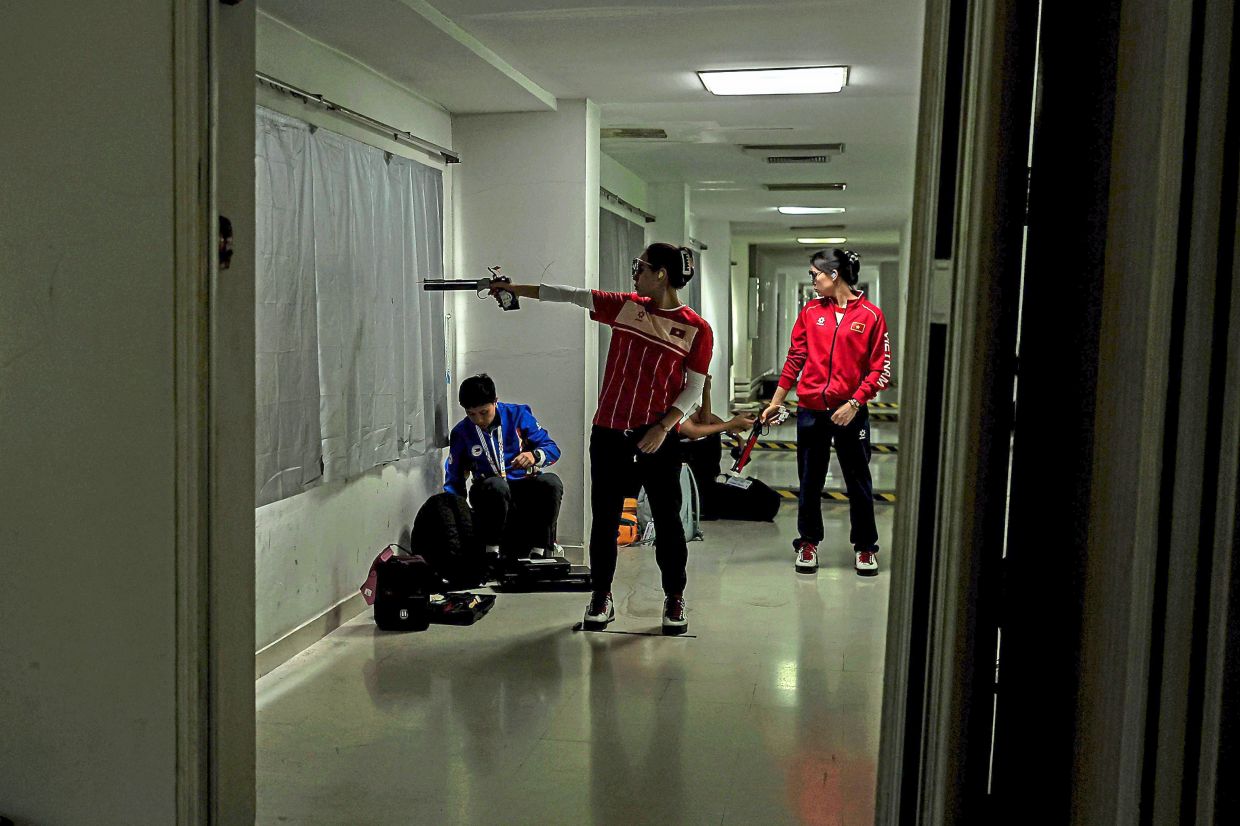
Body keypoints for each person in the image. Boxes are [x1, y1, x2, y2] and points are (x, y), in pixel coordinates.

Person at [489, 243, 713, 634]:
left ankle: (674, 598)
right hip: (609, 431)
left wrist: (663, 428)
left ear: (661, 273)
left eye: (640, 266)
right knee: (605, 520)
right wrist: (514, 288)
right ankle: (601, 596)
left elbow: (693, 389)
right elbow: (569, 294)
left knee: (667, 521)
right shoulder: (628, 307)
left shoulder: (695, 327)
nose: (635, 272)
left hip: (657, 436)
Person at [760, 248, 892, 576]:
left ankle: (865, 547)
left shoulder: (871, 316)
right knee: (809, 479)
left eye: (815, 274)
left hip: (851, 411)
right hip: (811, 410)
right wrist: (776, 401)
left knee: (858, 480)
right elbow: (795, 359)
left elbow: (880, 369)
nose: (813, 281)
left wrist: (855, 402)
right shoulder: (810, 312)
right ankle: (807, 541)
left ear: (834, 275)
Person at [445, 373, 563, 562]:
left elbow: (552, 449)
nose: (479, 420)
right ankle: (492, 551)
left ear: (495, 402)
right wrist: (457, 512)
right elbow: (454, 476)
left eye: (484, 412)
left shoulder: (518, 415)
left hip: (522, 484)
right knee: (497, 486)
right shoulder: (461, 432)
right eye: (471, 414)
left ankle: (540, 550)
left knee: (552, 483)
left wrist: (534, 456)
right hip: (488, 490)